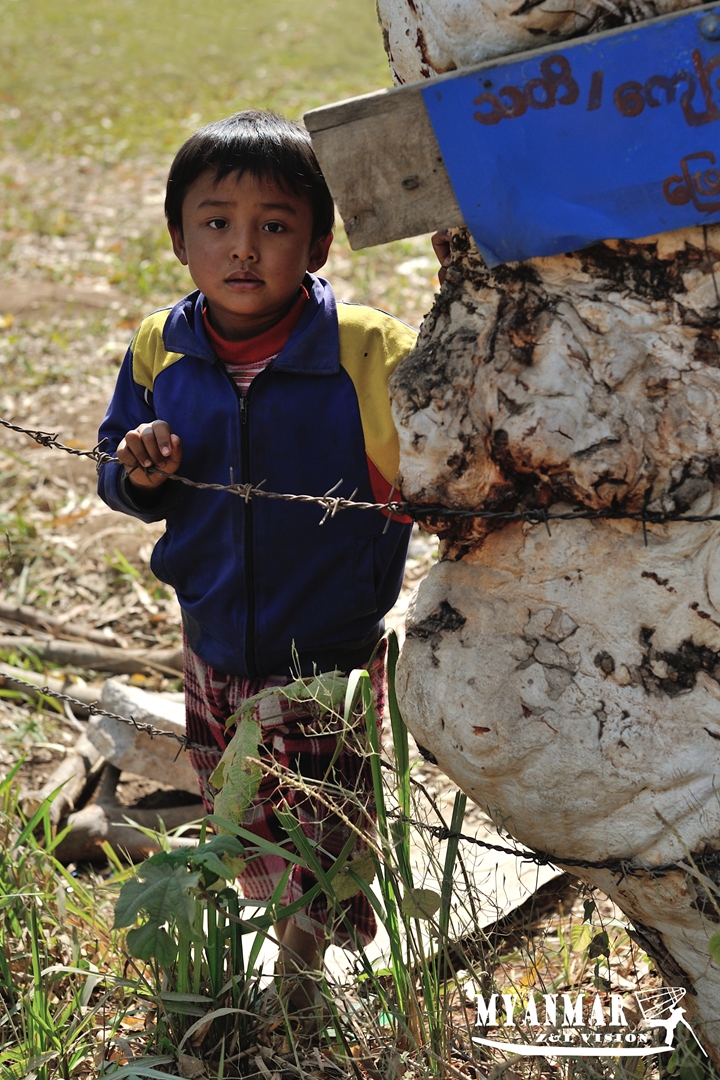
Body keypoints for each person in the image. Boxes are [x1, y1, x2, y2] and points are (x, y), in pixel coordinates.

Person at [97, 110, 417, 1013]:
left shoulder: (366, 351)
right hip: (211, 635)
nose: (244, 248)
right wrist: (141, 470)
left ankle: (302, 979)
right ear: (178, 238)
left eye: (274, 226)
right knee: (238, 812)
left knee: (322, 826)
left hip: (331, 650)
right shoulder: (164, 347)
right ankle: (280, 944)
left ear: (317, 243)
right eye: (217, 223)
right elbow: (115, 466)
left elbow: (427, 479)